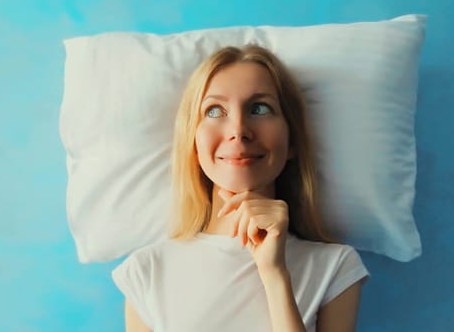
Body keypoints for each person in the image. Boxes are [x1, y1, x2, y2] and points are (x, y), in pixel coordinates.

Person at [112, 44, 370, 332]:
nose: (238, 129)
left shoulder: (336, 268)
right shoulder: (147, 271)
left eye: (259, 108)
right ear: (193, 145)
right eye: (214, 110)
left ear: (292, 142)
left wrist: (275, 276)